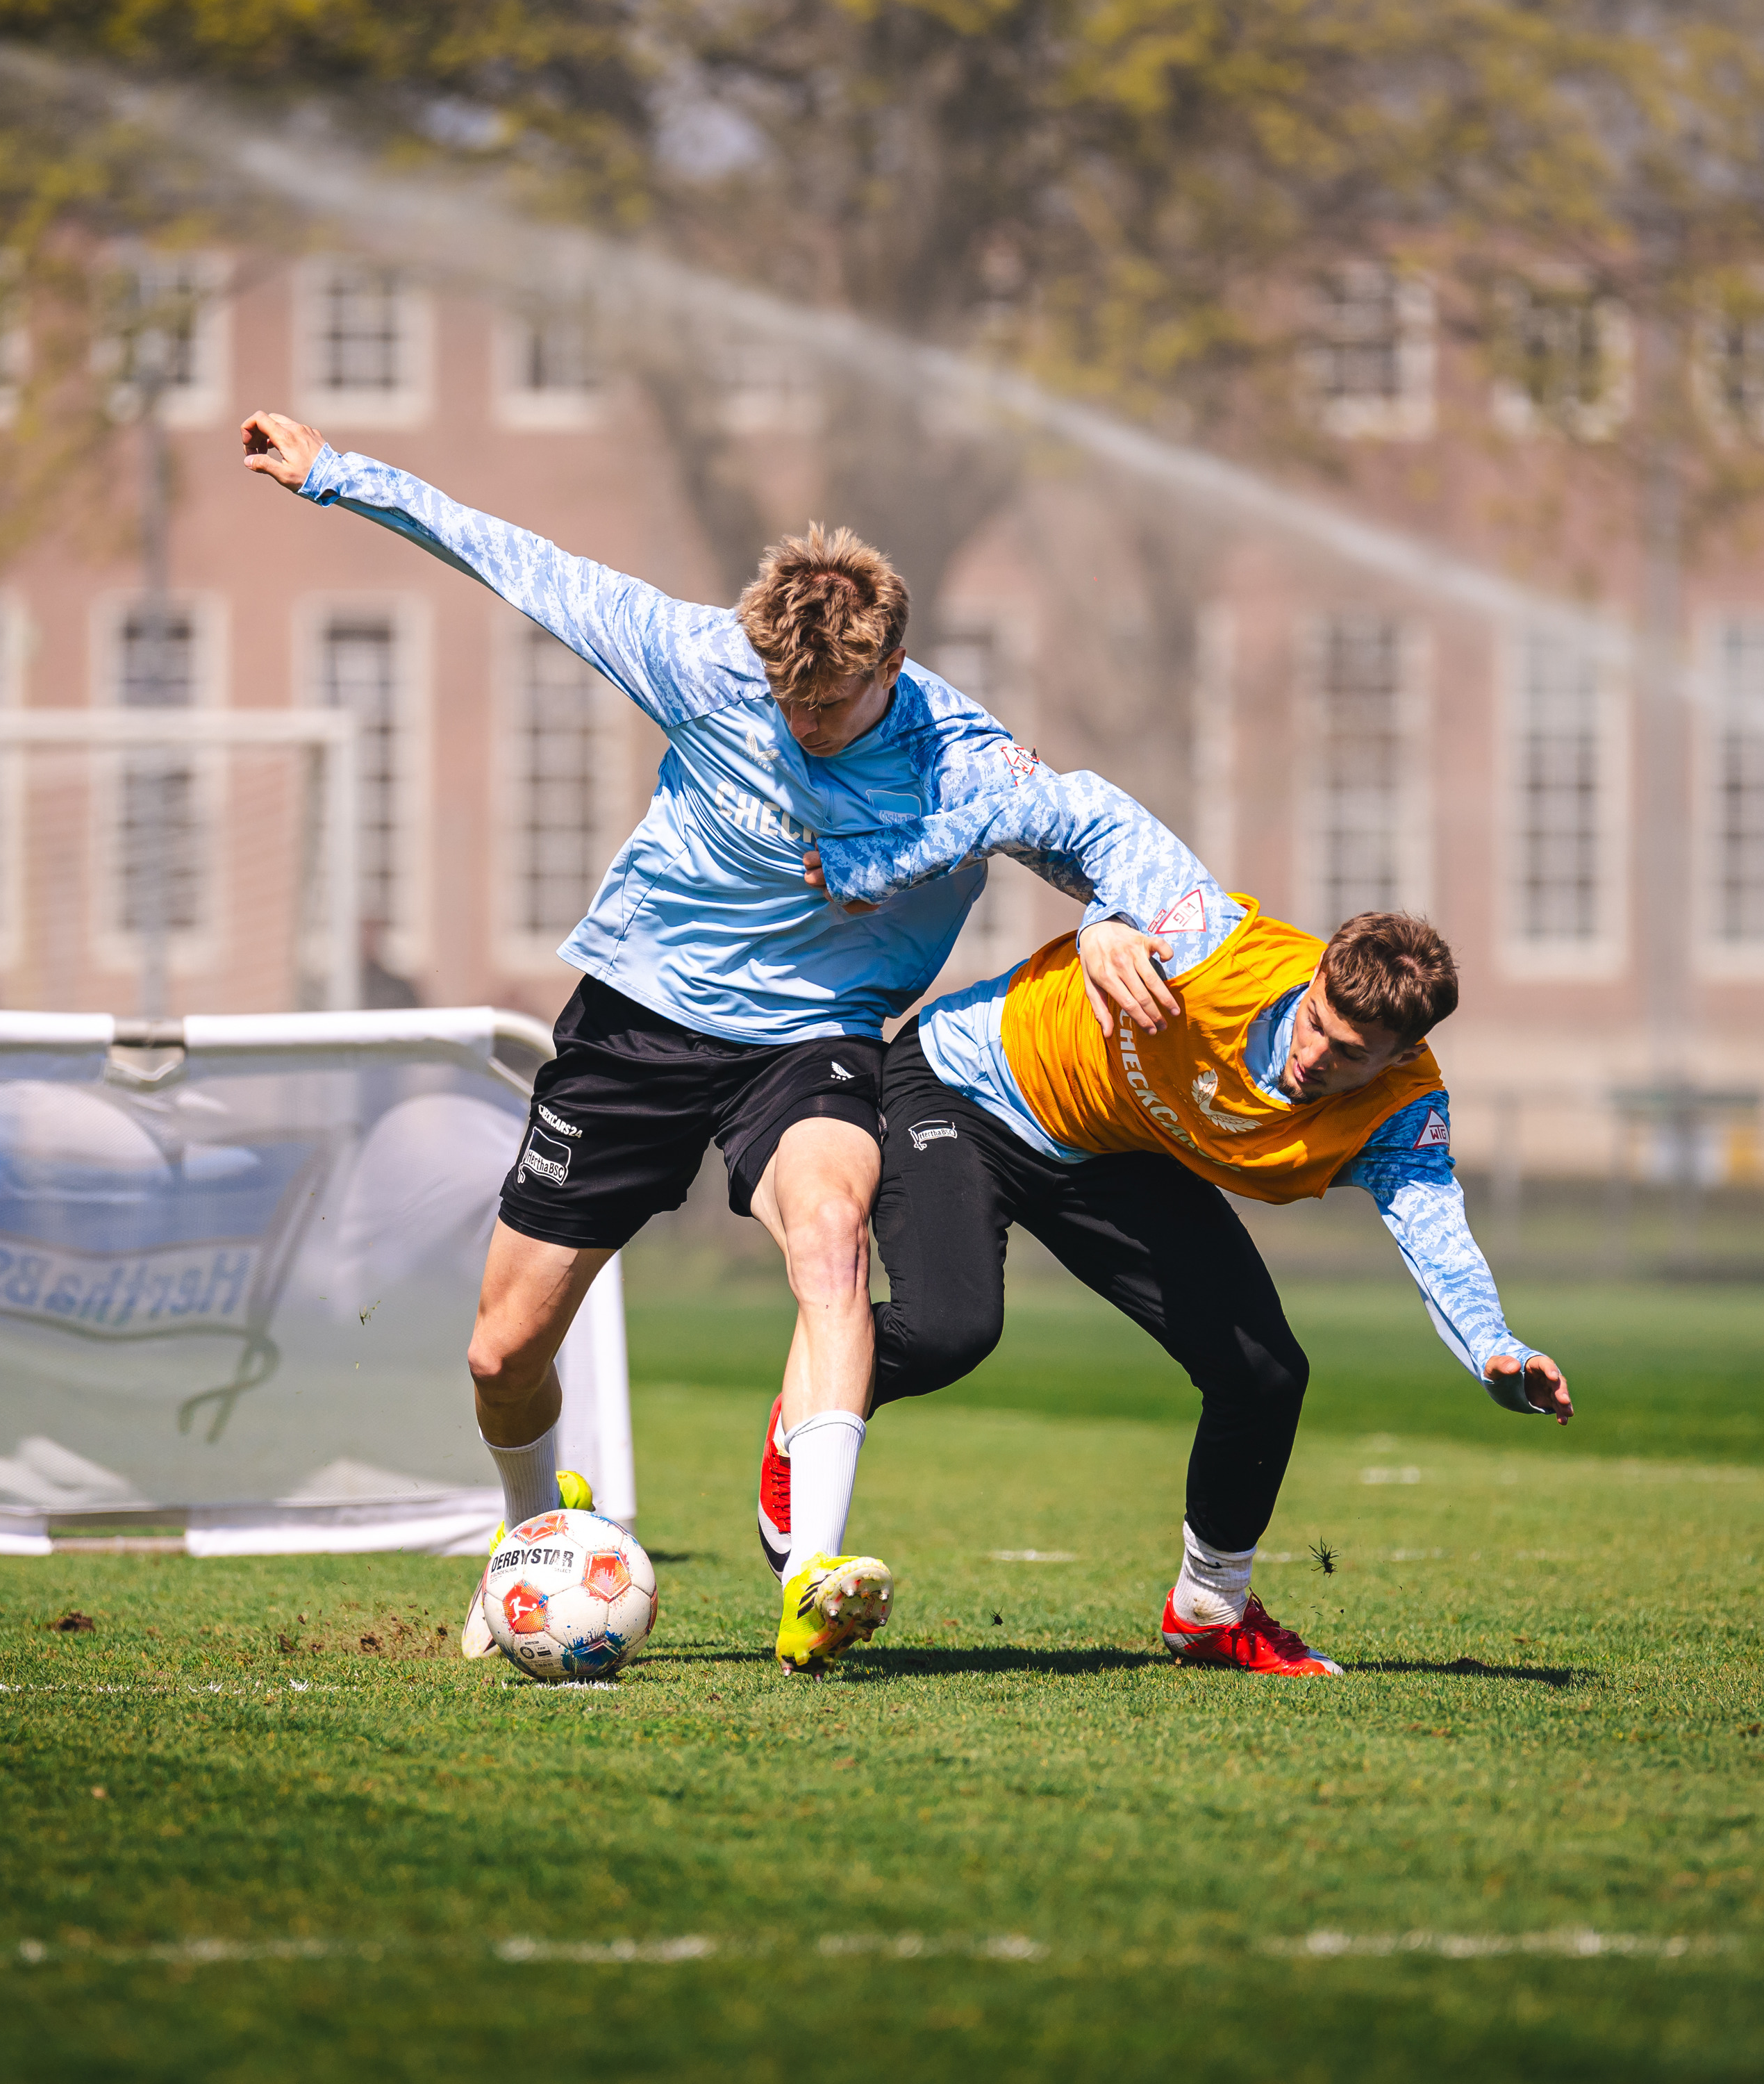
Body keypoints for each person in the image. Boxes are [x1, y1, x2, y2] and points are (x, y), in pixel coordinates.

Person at [241, 408, 1131, 1675]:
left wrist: (1110, 919)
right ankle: (529, 1547)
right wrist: (336, 475)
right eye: (789, 699)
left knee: (831, 1241)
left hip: (810, 1041)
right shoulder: (700, 658)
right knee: (503, 1355)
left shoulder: (964, 756)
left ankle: (812, 1574)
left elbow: (1100, 835)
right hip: (638, 1028)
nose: (807, 722)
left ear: (895, 667)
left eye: (835, 703)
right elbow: (512, 557)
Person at [774, 771, 1567, 1676]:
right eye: (1314, 1022)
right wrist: (888, 867)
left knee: (1264, 1375)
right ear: (1312, 978)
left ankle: (1207, 1609)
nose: (1312, 1057)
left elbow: (1436, 1234)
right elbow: (1059, 806)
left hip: (1108, 1152)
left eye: (1348, 1056)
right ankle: (812, 1412)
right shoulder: (1207, 937)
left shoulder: (1398, 1118)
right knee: (952, 1329)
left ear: (1398, 1057)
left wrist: (1496, 1350)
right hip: (969, 1087)